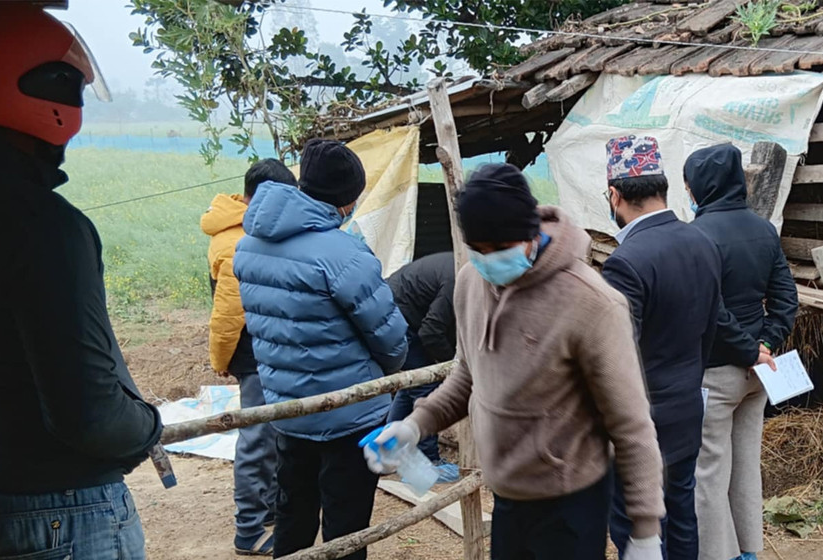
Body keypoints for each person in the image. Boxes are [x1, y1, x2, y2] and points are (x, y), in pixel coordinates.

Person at [0, 4, 162, 558]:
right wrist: (148, 425)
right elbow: (91, 418)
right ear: (46, 90)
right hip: (53, 512)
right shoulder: (42, 227)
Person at [365, 164, 666, 560]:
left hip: (569, 500)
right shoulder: (471, 284)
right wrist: (413, 425)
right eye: (480, 250)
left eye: (501, 248)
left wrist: (645, 530)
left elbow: (630, 423)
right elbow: (467, 376)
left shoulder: (591, 303)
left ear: (529, 234)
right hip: (506, 493)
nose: (490, 262)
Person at [233, 139, 409, 559]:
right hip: (348, 414)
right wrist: (387, 372)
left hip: (288, 411)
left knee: (292, 518)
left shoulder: (249, 245)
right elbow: (391, 338)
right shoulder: (342, 252)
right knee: (345, 528)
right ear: (346, 199)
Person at [600, 136, 722, 560]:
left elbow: (618, 360)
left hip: (641, 425)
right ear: (664, 187)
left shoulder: (626, 261)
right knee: (682, 518)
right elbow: (711, 329)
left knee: (640, 529)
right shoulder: (702, 242)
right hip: (687, 406)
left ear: (614, 195)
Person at [685, 144, 798, 560]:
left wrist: (750, 349)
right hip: (758, 375)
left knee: (709, 472)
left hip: (716, 371)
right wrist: (766, 344)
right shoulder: (763, 229)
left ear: (698, 186)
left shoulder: (696, 235)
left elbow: (710, 310)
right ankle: (749, 552)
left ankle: (719, 556)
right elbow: (786, 297)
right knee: (746, 467)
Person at [203, 158, 297, 555]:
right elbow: (227, 313)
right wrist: (221, 359)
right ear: (260, 198)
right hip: (251, 351)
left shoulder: (246, 228)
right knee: (257, 436)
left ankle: (271, 511)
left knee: (273, 431)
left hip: (266, 347)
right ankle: (249, 529)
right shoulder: (236, 241)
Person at [384, 251, 461, 482]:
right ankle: (428, 461)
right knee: (425, 385)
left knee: (411, 386)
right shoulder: (455, 280)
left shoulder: (457, 267)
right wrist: (451, 366)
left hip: (401, 312)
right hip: (399, 318)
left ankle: (389, 448)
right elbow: (431, 330)